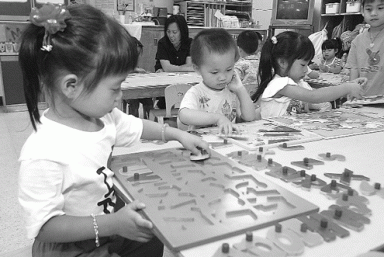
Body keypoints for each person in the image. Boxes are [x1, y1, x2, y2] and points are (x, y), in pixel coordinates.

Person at [17, 4, 209, 256]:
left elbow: (137, 126)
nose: (120, 97)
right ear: (71, 86)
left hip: (105, 223)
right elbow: (44, 227)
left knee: (152, 234)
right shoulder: (43, 151)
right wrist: (111, 224)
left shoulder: (103, 117)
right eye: (115, 88)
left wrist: (177, 134)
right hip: (68, 245)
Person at [252, 31, 366, 119]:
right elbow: (314, 96)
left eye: (307, 65)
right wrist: (347, 88)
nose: (306, 70)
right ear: (282, 62)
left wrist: (350, 84)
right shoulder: (279, 84)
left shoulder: (298, 83)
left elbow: (316, 100)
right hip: (273, 136)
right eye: (303, 65)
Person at [179, 28, 258, 135]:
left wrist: (240, 89)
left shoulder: (232, 92)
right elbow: (184, 115)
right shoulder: (197, 92)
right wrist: (217, 118)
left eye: (229, 70)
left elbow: (250, 117)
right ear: (197, 69)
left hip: (227, 145)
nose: (222, 77)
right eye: (215, 72)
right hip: (202, 145)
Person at [154, 15, 194, 109]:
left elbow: (189, 65)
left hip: (185, 81)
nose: (171, 35)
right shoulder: (162, 43)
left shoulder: (190, 43)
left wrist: (172, 69)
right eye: (168, 32)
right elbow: (167, 67)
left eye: (174, 32)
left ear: (182, 31)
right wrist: (184, 69)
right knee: (166, 103)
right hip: (165, 83)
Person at [347, 0, 384, 96]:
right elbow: (354, 71)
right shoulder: (357, 41)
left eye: (380, 8)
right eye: (369, 9)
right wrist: (351, 95)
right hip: (363, 100)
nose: (374, 13)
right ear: (362, 12)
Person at [126, 38, 153, 119]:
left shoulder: (134, 62)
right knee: (133, 101)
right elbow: (121, 70)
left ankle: (151, 121)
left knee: (148, 99)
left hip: (138, 88)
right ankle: (133, 125)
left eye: (138, 54)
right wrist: (136, 70)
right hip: (128, 90)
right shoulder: (122, 59)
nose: (136, 56)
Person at [234, 30, 261, 97]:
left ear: (239, 49)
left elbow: (234, 83)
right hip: (260, 100)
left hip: (243, 100)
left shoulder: (239, 66)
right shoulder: (263, 63)